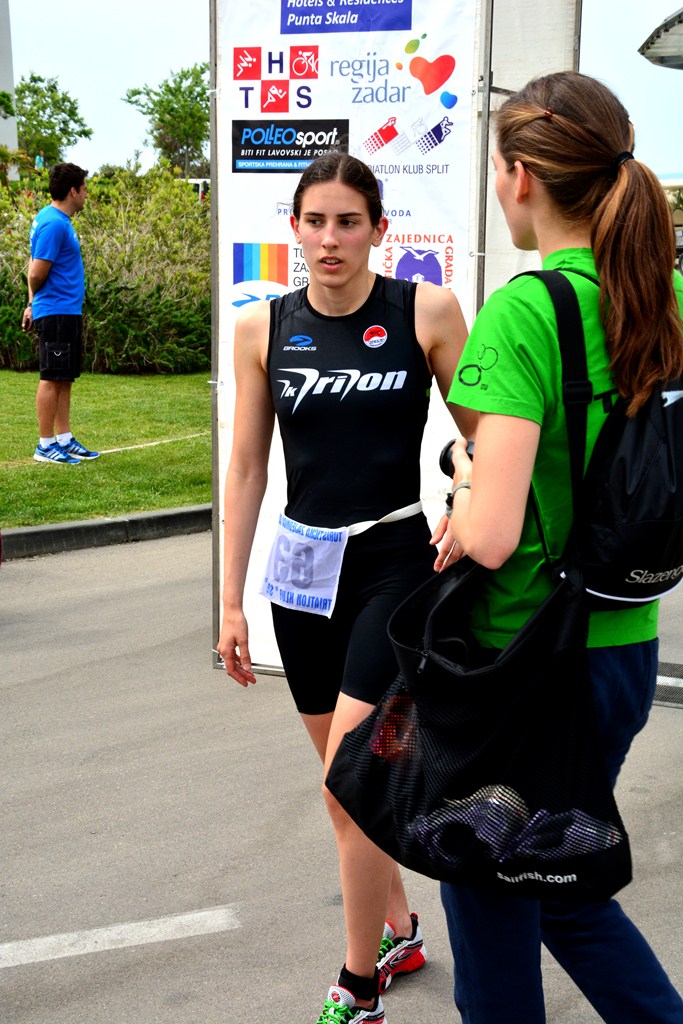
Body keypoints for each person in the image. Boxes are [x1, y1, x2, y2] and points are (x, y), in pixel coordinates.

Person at [432, 71, 683, 1024]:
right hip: (624, 644)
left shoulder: (523, 312)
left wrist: (459, 480)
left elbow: (489, 534)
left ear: (522, 173)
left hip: (522, 665)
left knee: (490, 893)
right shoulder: (659, 297)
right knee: (560, 886)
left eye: (498, 166)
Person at [217, 151, 475, 1023]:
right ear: (293, 227)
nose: (330, 239)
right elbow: (249, 467)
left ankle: (360, 983)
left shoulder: (424, 308)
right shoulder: (262, 327)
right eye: (315, 221)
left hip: (393, 566)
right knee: (348, 788)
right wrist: (228, 602)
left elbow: (488, 434)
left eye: (349, 222)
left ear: (377, 229)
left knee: (345, 785)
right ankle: (399, 925)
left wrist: (468, 489)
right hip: (299, 575)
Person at [22, 162, 100, 465]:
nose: (86, 195)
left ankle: (64, 439)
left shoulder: (56, 220)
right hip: (55, 311)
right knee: (51, 377)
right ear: (72, 191)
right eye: (84, 189)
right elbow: (36, 271)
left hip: (66, 310)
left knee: (64, 377)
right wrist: (36, 302)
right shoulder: (53, 223)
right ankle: (45, 444)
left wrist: (30, 304)